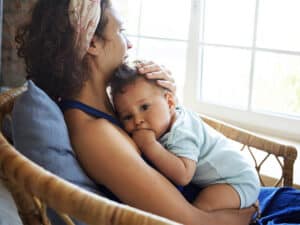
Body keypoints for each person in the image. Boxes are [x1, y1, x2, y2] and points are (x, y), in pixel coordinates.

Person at [15, 0, 256, 224]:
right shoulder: (96, 134)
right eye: (121, 31)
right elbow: (189, 220)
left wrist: (166, 101)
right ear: (92, 44)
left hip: (214, 191)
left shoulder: (107, 105)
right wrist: (252, 212)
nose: (129, 44)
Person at [110, 63, 260, 212]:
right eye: (127, 116)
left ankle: (249, 215)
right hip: (231, 176)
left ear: (169, 102)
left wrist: (149, 145)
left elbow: (183, 176)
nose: (137, 120)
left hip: (237, 182)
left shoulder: (181, 133)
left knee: (201, 208)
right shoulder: (166, 119)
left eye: (144, 107)